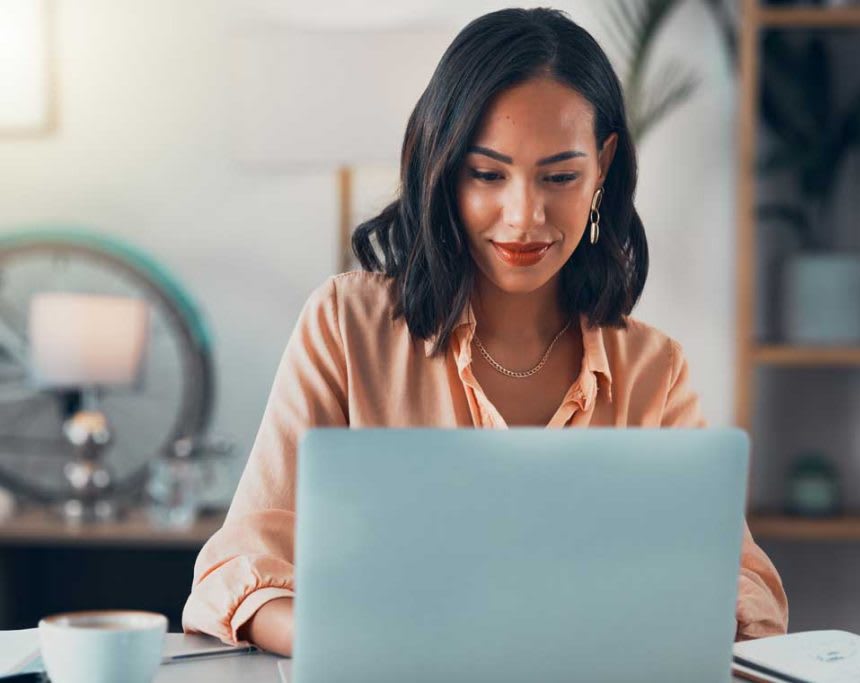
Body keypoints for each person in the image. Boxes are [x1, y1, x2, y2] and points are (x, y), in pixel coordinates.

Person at [182, 7, 787, 657]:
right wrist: (346, 643)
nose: (524, 216)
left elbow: (742, 583)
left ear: (603, 167)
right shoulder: (345, 326)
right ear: (443, 169)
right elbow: (238, 568)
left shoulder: (652, 369)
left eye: (559, 176)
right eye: (487, 174)